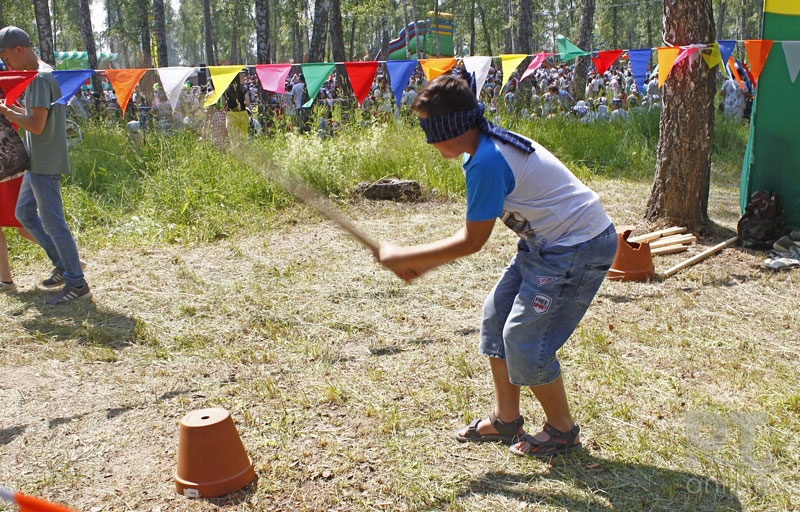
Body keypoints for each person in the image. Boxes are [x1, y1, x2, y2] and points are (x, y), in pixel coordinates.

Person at [377, 73, 617, 457]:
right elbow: (473, 235)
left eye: (428, 128)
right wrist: (423, 265)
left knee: (524, 339)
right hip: (543, 244)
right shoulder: (480, 150)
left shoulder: (487, 160)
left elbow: (473, 241)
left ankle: (562, 430)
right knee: (496, 315)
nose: (427, 138)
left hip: (578, 246)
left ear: (450, 128)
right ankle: (507, 420)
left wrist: (405, 256)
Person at [0, 26, 91, 304]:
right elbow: (37, 117)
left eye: (7, 58)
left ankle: (77, 283)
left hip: (44, 162)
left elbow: (37, 126)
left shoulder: (39, 79)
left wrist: (5, 112)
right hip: (37, 159)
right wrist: (14, 110)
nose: (7, 65)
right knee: (25, 213)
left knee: (54, 224)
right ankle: (63, 266)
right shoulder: (45, 71)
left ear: (19, 49)